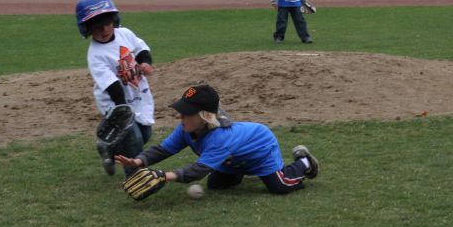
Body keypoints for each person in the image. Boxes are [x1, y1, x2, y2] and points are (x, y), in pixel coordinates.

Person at [115, 84, 319, 196]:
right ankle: (237, 171)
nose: (181, 117)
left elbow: (199, 170)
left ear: (205, 116)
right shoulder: (184, 129)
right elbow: (163, 150)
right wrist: (138, 161)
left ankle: (304, 162)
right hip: (233, 159)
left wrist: (163, 176)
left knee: (280, 186)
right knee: (216, 185)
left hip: (260, 150)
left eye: (187, 113)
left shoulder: (220, 137)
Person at [75, 0, 155, 176]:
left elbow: (140, 48)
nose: (104, 30)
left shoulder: (124, 34)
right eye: (97, 28)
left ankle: (108, 148)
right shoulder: (95, 55)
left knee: (145, 134)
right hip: (115, 102)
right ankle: (134, 176)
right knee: (133, 138)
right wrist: (123, 110)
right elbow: (112, 87)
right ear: (87, 29)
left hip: (136, 94)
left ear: (114, 20)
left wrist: (145, 62)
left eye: (107, 24)